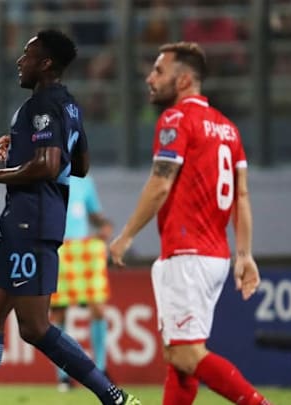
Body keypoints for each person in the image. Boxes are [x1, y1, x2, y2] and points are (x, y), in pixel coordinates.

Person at [0, 29, 140, 405]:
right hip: (20, 224)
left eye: (27, 55)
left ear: (45, 63)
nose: (19, 61)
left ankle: (113, 397)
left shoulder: (42, 106)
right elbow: (81, 165)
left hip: (32, 223)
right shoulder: (69, 105)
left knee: (36, 327)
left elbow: (49, 165)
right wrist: (22, 142)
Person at [109, 42, 270, 405]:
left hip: (187, 253)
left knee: (185, 354)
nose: (150, 79)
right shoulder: (228, 129)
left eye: (159, 71)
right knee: (179, 359)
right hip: (215, 255)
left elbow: (160, 183)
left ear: (183, 80)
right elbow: (241, 196)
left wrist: (126, 235)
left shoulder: (176, 120)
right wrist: (244, 255)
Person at [49, 174, 113, 392]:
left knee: (98, 308)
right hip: (57, 248)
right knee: (58, 313)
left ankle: (102, 368)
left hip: (83, 250)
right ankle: (63, 377)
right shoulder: (44, 175)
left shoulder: (84, 180)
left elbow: (93, 214)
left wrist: (103, 225)